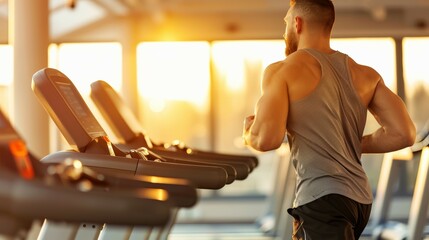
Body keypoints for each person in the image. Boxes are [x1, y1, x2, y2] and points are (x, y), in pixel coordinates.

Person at [242, 0, 416, 239]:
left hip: (321, 199)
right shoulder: (365, 74)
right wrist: (349, 143)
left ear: (297, 23)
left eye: (285, 24)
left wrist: (248, 133)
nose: (284, 32)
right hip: (360, 201)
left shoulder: (282, 70)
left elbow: (266, 139)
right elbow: (404, 133)